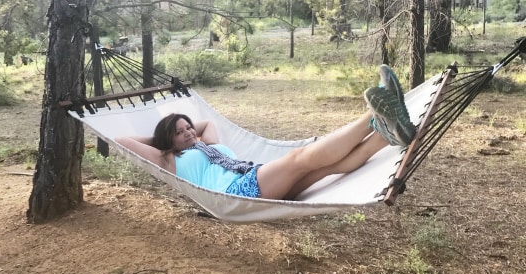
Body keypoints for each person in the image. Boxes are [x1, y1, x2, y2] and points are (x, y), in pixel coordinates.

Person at [115, 65, 416, 201]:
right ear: (168, 142)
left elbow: (206, 125)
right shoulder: (169, 161)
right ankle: (373, 113)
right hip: (237, 192)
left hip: (255, 180)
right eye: (180, 133)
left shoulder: (207, 146)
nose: (190, 132)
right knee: (300, 157)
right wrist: (163, 141)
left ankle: (386, 134)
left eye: (188, 126)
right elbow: (121, 140)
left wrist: (188, 133)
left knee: (330, 167)